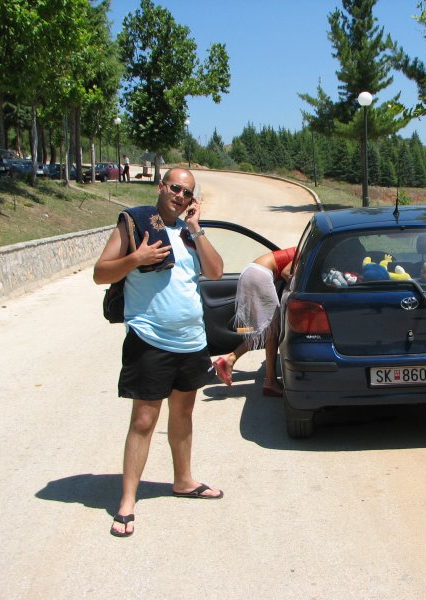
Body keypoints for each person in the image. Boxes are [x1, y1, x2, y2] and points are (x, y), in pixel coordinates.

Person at [94, 167, 224, 538]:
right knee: (144, 420)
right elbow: (100, 273)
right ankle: (127, 501)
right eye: (175, 188)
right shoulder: (134, 225)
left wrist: (197, 228)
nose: (180, 196)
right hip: (150, 338)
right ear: (161, 187)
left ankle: (183, 480)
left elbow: (216, 272)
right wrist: (136, 258)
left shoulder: (188, 233)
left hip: (191, 341)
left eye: (187, 192)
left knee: (183, 413)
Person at [213, 247, 295, 397]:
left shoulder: (306, 245)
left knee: (267, 330)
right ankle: (266, 379)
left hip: (253, 272)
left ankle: (267, 380)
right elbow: (286, 272)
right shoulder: (308, 250)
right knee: (271, 330)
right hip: (260, 275)